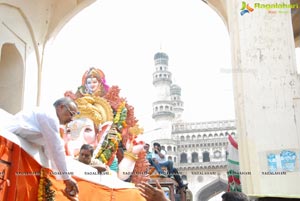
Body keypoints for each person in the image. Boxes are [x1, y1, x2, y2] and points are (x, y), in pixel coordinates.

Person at [3, 97, 79, 198]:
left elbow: (50, 150)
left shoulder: (49, 118)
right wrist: (67, 178)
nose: (72, 119)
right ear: (61, 107)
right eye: (71, 113)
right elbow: (56, 148)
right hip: (5, 148)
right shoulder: (49, 116)